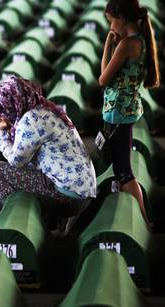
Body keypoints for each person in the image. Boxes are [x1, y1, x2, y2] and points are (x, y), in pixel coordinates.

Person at [0, 76, 97, 237]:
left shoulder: (31, 121)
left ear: (12, 105)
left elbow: (16, 162)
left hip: (67, 194)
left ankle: (27, 225)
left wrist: (1, 134)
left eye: (0, 113)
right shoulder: (44, 110)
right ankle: (52, 220)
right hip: (80, 191)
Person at [99, 0, 160, 228]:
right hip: (126, 111)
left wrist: (108, 43)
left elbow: (103, 79)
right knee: (121, 168)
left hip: (118, 114)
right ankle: (137, 217)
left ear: (121, 18)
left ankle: (143, 220)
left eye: (110, 21)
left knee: (124, 172)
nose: (110, 26)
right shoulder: (140, 41)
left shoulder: (126, 44)